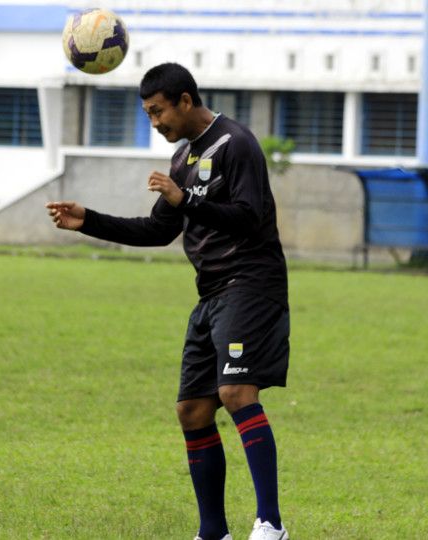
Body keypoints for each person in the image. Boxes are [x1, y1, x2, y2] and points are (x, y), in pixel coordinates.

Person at [46, 62, 290, 540]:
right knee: (192, 411)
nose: (155, 123)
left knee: (237, 392)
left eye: (158, 112)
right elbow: (157, 230)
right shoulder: (184, 161)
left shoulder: (235, 143)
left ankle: (270, 525)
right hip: (212, 293)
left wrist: (186, 202)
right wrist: (88, 220)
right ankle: (212, 532)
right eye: (147, 115)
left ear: (184, 100)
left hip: (251, 283)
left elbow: (248, 216)